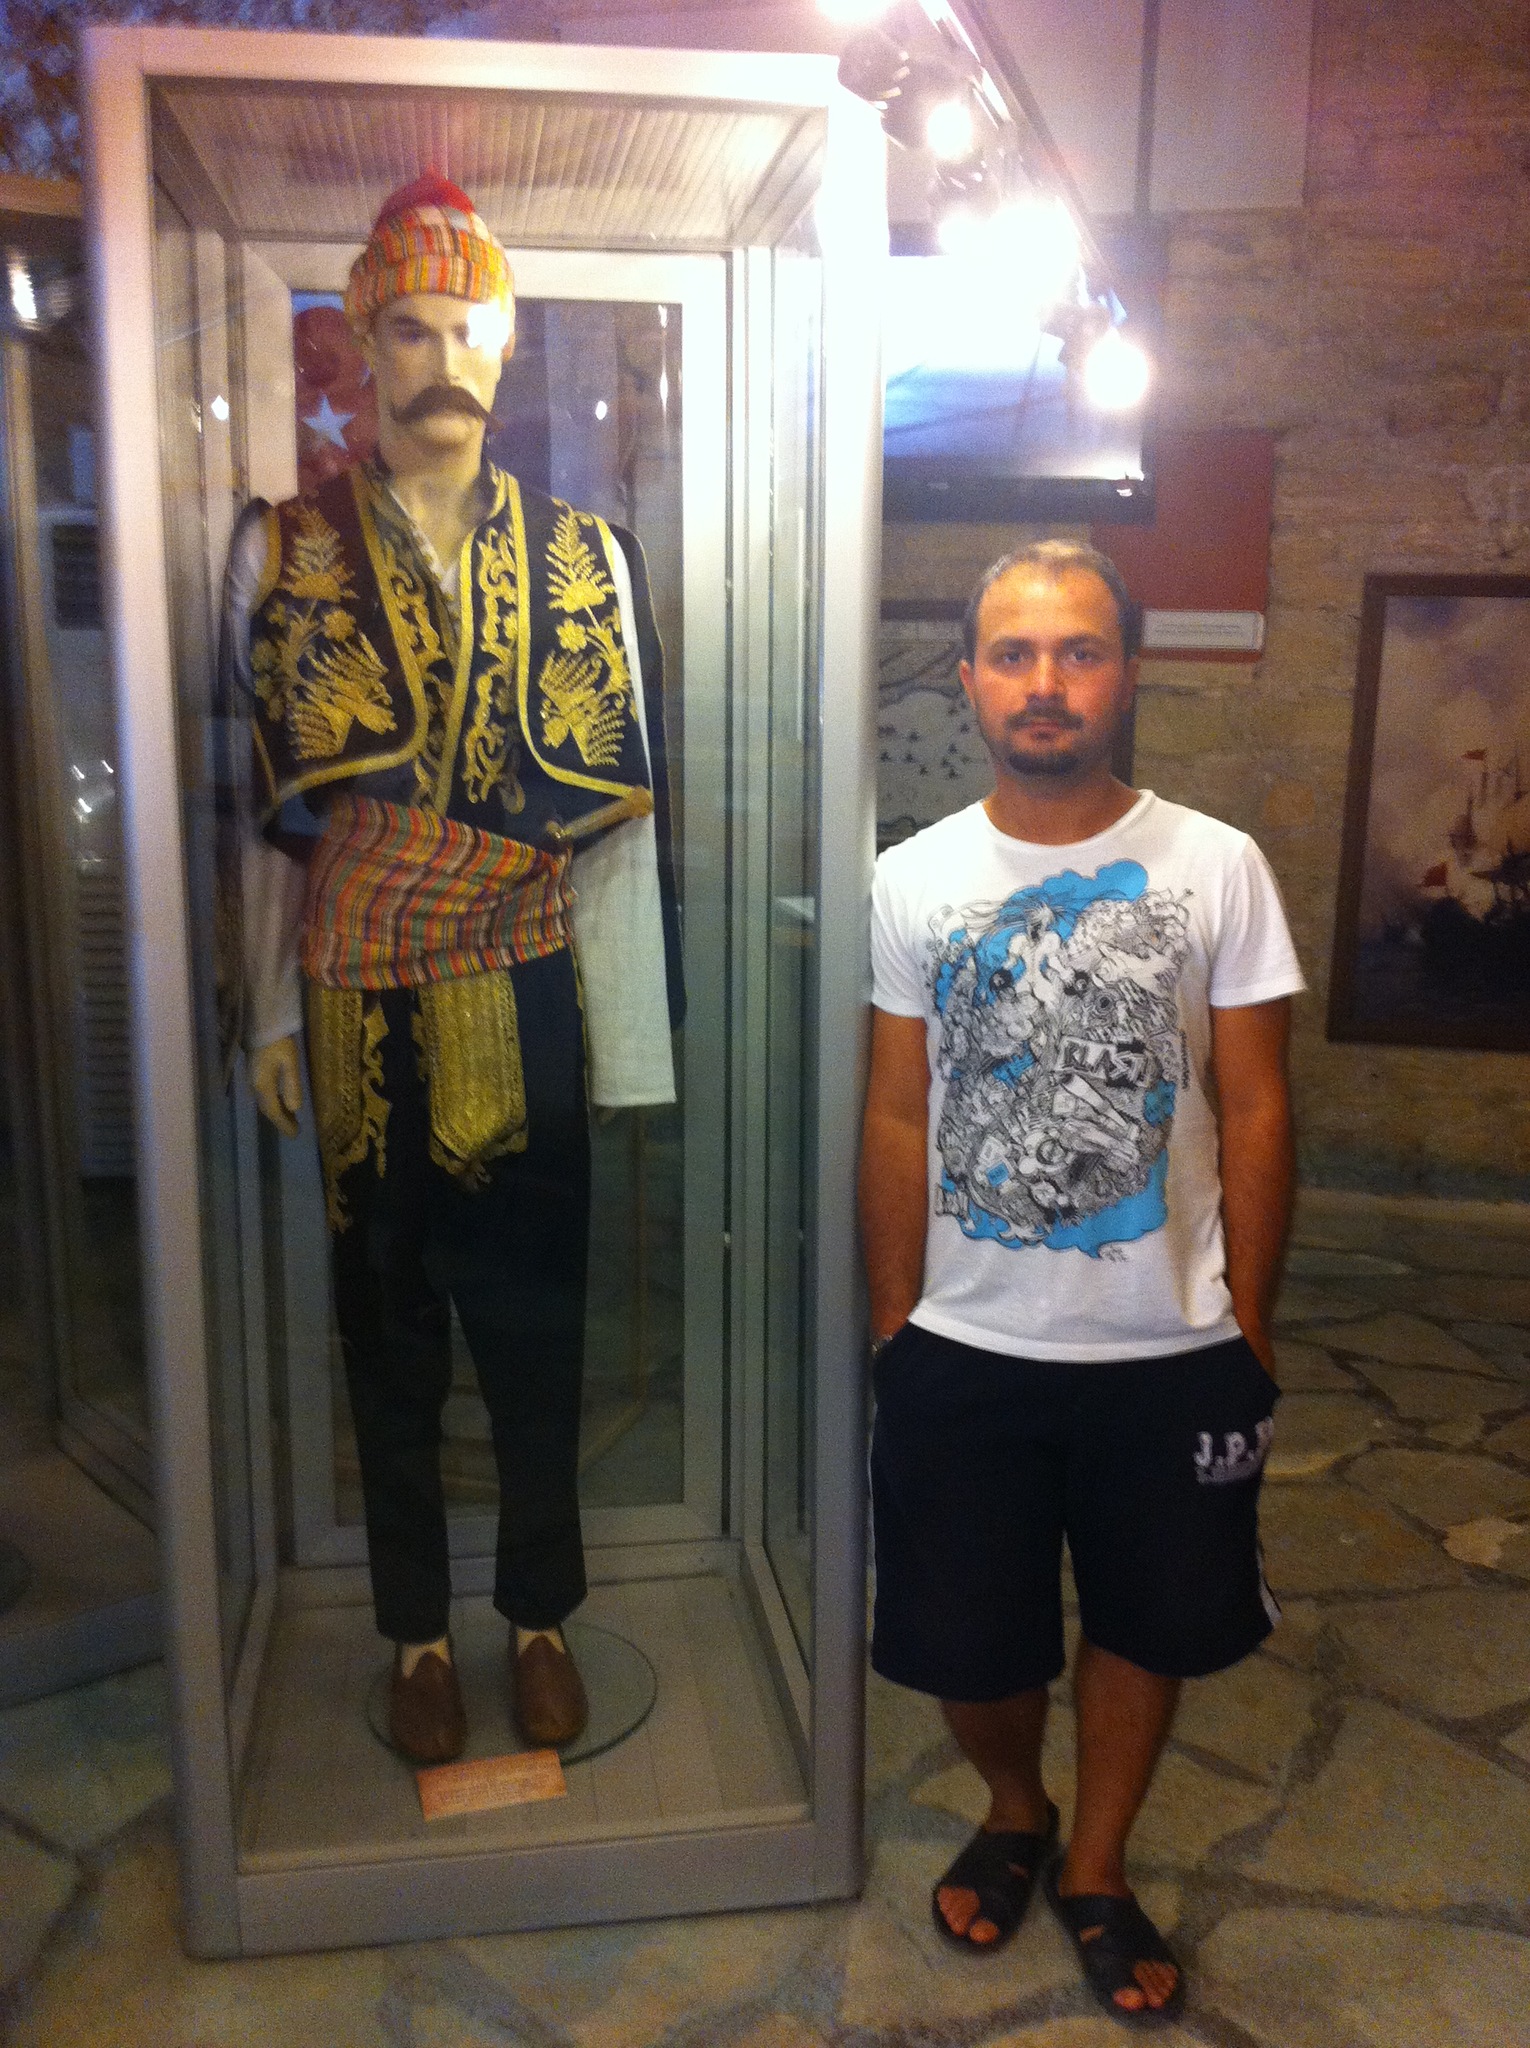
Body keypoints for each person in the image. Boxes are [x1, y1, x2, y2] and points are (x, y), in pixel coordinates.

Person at [227, 173, 682, 1766]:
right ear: (361, 345)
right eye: (409, 330)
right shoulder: (284, 552)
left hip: (525, 971)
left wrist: (627, 1043)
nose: (440, 360)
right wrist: (268, 1010)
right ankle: (415, 1635)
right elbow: (270, 819)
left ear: (505, 342)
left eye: (467, 328)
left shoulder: (587, 557)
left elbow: (613, 834)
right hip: (357, 984)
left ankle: (538, 1615)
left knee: (538, 1318)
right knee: (386, 1323)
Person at [859, 539, 1302, 2024]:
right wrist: (893, 1321)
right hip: (964, 1341)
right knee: (965, 1642)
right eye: (1013, 653)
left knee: (1144, 1624)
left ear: (1125, 672)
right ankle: (1016, 1805)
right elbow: (896, 1113)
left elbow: (1255, 1107)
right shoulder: (912, 879)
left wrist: (1247, 1323)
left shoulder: (1216, 866)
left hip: (1168, 1345)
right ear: (969, 677)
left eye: (1078, 651)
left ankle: (1096, 1862)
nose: (1044, 682)